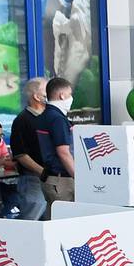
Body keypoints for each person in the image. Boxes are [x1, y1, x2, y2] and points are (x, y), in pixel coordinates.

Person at [34, 76, 78, 213]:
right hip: (61, 180)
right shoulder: (57, 119)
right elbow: (63, 152)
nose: (71, 98)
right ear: (62, 95)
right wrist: (79, 177)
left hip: (51, 178)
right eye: (70, 95)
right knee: (65, 224)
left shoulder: (45, 115)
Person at [9, 77, 50, 220]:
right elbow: (21, 154)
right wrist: (43, 172)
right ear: (37, 96)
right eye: (47, 91)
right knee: (30, 220)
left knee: (50, 221)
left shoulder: (51, 116)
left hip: (53, 180)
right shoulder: (22, 120)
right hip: (34, 179)